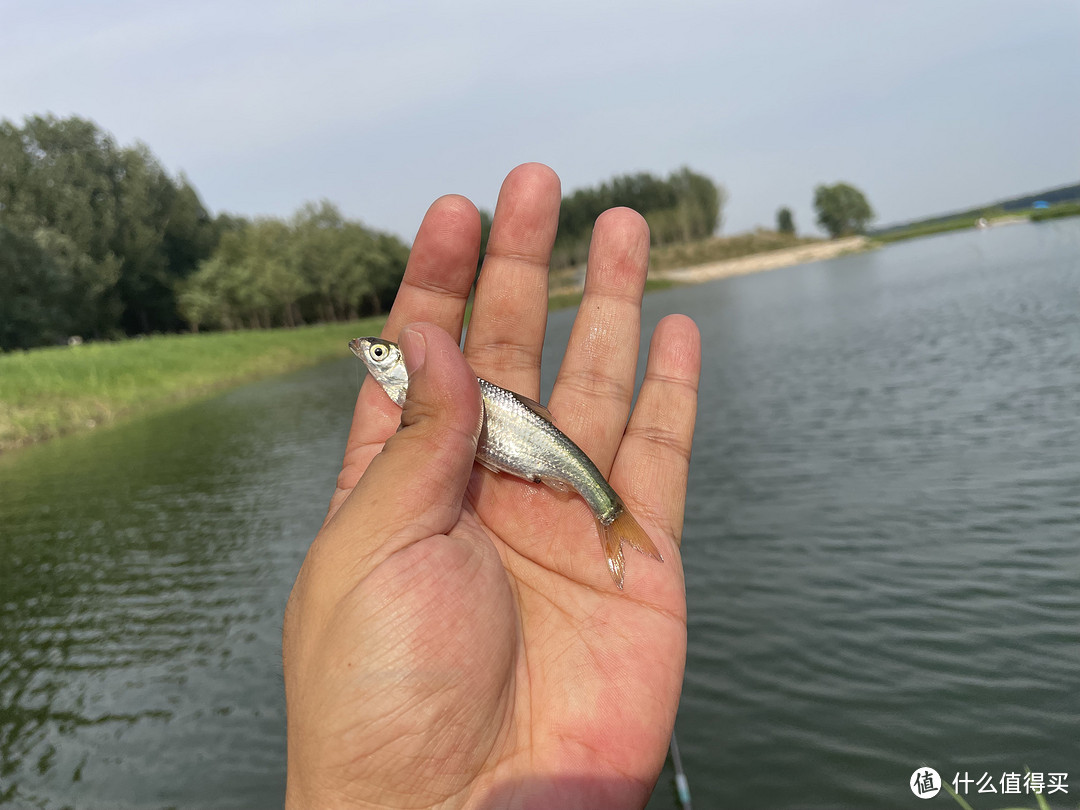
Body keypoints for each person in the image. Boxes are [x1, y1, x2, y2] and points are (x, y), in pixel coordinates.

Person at [282, 163, 701, 809]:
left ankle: (608, 514)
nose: (377, 356)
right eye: (380, 353)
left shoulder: (415, 387)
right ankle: (609, 517)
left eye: (384, 354)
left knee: (589, 483)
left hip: (535, 447)